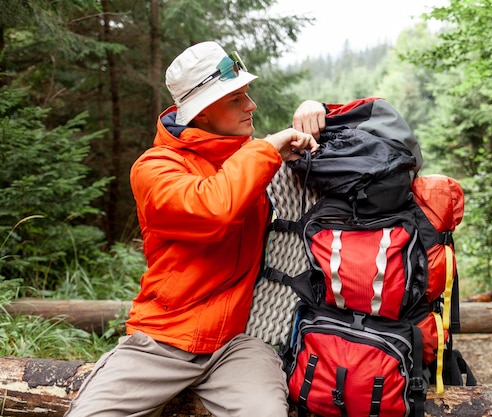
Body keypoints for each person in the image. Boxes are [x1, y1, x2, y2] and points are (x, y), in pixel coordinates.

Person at [64, 41, 325, 417]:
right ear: (200, 113)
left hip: (239, 343)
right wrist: (265, 150)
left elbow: (352, 144)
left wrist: (317, 111)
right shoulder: (154, 169)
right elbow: (212, 208)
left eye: (246, 95)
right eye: (236, 99)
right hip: (163, 341)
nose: (251, 105)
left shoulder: (250, 158)